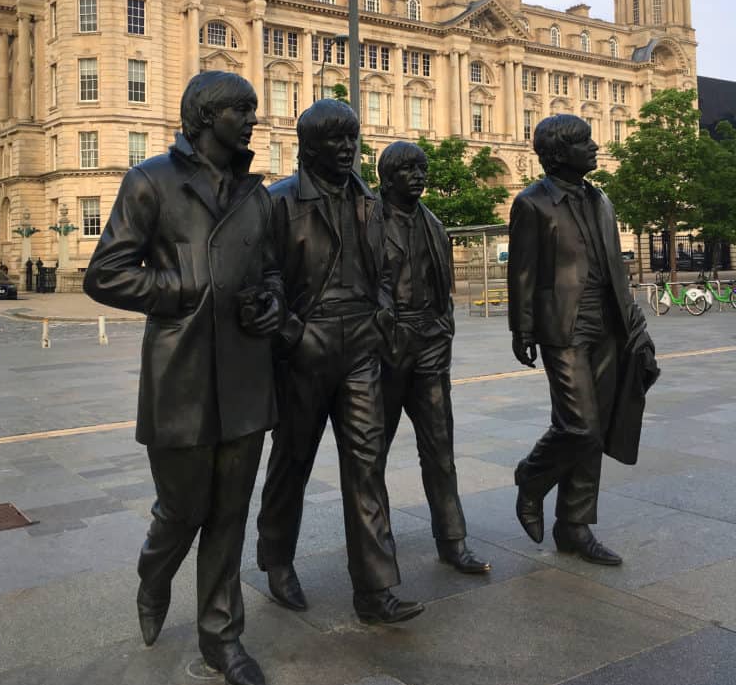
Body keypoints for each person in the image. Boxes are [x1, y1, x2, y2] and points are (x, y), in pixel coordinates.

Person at [83, 71, 282, 685]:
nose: (253, 119)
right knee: (182, 509)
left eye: (253, 109)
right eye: (240, 110)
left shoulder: (258, 193)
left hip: (247, 375)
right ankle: (154, 570)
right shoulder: (151, 181)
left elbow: (271, 270)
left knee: (229, 513)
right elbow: (105, 274)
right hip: (183, 373)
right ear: (204, 115)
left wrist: (271, 301)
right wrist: (181, 289)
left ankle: (223, 637)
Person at [256, 99, 423, 625]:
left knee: (367, 467)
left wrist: (383, 315)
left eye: (352, 138)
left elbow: (386, 273)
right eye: (336, 139)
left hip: (361, 350)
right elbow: (263, 283)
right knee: (293, 460)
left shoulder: (370, 203)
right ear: (308, 146)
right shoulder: (278, 203)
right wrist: (293, 336)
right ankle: (276, 558)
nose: (348, 148)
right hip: (306, 349)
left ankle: (375, 590)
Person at [508, 114, 656, 565]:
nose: (594, 148)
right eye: (583, 142)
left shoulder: (602, 200)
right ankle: (532, 478)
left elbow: (618, 270)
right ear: (558, 153)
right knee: (580, 425)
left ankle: (574, 526)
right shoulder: (532, 203)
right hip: (563, 326)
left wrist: (636, 327)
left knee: (596, 430)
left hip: (609, 326)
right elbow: (523, 272)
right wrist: (522, 327)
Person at [378, 141, 490, 574]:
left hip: (430, 347)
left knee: (440, 450)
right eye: (409, 169)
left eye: (422, 168)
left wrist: (443, 329)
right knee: (373, 455)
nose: (419, 175)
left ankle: (452, 539)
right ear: (388, 177)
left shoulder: (434, 224)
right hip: (386, 352)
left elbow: (443, 288)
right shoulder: (366, 220)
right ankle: (377, 540)